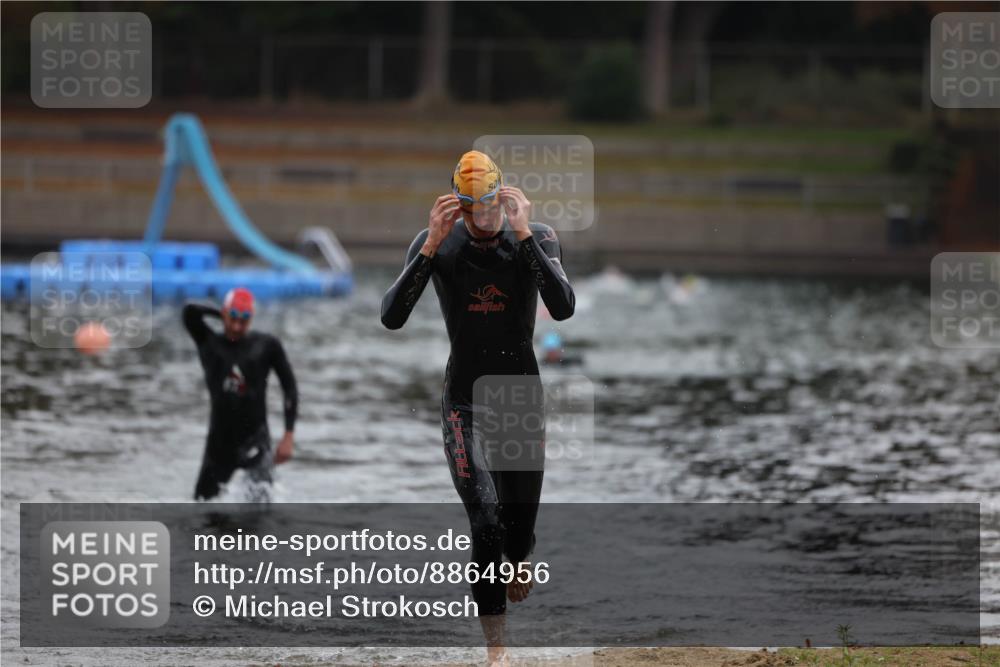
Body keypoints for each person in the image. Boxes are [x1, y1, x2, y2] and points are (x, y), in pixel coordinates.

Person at [380, 150, 574, 665]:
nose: (482, 218)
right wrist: (432, 248)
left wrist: (526, 233)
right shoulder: (436, 241)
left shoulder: (535, 236)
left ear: (501, 196)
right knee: (486, 522)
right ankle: (497, 652)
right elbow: (392, 318)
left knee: (516, 534)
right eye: (470, 209)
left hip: (519, 401)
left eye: (489, 205)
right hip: (463, 401)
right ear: (458, 205)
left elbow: (564, 306)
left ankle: (520, 555)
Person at [182, 287, 297, 502]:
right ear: (225, 314)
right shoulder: (208, 342)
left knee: (260, 516)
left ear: (251, 319)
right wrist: (222, 312)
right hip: (219, 444)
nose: (236, 326)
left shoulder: (266, 346)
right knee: (202, 510)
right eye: (232, 318)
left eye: (243, 321)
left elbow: (289, 386)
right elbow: (190, 311)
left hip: (255, 441)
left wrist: (288, 435)